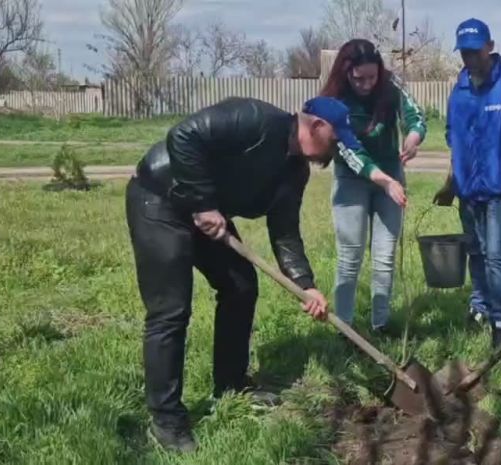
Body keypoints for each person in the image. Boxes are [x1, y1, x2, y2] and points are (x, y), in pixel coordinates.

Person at [125, 95, 366, 453]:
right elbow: (183, 136)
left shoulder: (293, 171)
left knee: (240, 286)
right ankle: (166, 419)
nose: (334, 151)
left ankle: (231, 385)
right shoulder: (254, 119)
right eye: (335, 140)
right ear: (316, 126)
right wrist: (204, 204)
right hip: (161, 199)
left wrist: (307, 286)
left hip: (208, 218)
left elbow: (285, 232)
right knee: (171, 310)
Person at [433, 18, 501, 348]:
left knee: (496, 254)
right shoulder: (461, 89)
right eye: (464, 53)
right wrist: (451, 181)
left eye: (475, 51)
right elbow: (456, 138)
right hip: (468, 188)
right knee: (476, 252)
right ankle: (480, 307)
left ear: (490, 46)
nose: (470, 59)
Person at [319, 38, 426, 334]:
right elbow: (353, 153)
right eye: (359, 78)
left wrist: (413, 137)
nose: (366, 84)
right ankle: (346, 328)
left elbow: (417, 116)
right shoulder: (335, 103)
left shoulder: (390, 87)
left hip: (390, 174)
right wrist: (386, 181)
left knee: (385, 254)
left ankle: (381, 325)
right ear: (346, 72)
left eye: (372, 76)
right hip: (353, 180)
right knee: (350, 256)